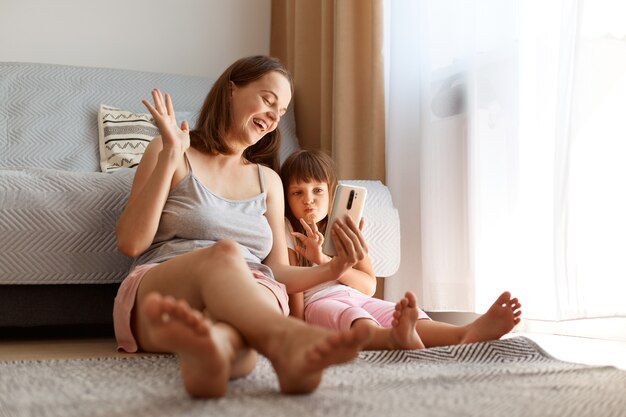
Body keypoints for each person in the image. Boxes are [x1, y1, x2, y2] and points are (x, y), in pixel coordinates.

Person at [113, 56, 373, 399]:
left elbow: (278, 271)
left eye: (281, 112)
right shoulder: (170, 150)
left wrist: (334, 268)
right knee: (225, 254)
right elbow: (131, 243)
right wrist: (170, 157)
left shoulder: (269, 181)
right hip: (169, 284)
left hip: (254, 287)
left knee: (235, 331)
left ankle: (213, 357)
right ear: (232, 90)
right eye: (268, 100)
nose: (273, 117)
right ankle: (286, 342)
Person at [279, 149, 523, 350]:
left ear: (332, 193)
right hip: (319, 304)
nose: (308, 199)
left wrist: (325, 259)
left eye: (317, 190)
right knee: (353, 316)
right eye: (297, 192)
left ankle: (463, 334)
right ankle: (392, 341)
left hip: (357, 296)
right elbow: (295, 295)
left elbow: (367, 286)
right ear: (286, 199)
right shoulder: (289, 232)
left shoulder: (343, 229)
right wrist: (300, 331)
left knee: (390, 311)